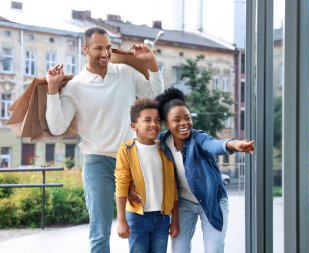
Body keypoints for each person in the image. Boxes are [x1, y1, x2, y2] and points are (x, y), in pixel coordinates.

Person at [45, 27, 164, 253]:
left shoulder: (125, 73)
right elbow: (57, 126)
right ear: (85, 49)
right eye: (99, 47)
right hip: (97, 162)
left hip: (131, 160)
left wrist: (152, 64)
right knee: (100, 232)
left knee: (141, 224)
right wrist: (53, 87)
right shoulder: (75, 87)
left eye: (108, 47)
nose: (105, 53)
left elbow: (156, 98)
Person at [128, 88, 255, 253]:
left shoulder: (198, 138)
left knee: (214, 249)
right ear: (167, 123)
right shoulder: (161, 143)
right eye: (177, 119)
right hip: (184, 204)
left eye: (187, 118)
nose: (184, 123)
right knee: (179, 250)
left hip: (212, 201)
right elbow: (139, 154)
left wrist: (233, 144)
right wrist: (130, 184)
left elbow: (213, 144)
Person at [115, 98, 179, 253]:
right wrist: (121, 220)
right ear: (134, 126)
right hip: (138, 218)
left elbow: (173, 186)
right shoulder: (126, 149)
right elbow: (122, 184)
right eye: (147, 120)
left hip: (163, 218)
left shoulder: (164, 149)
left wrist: (174, 220)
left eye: (157, 120)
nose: (153, 124)